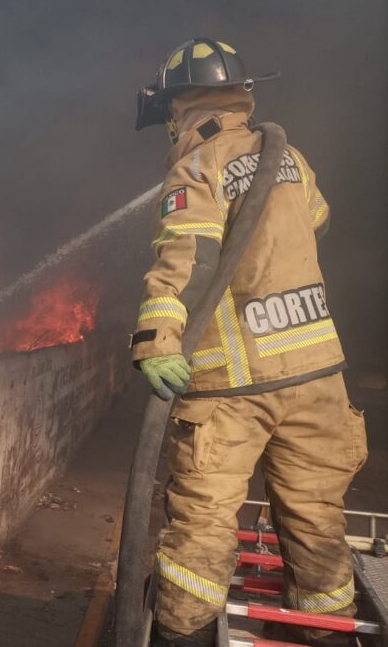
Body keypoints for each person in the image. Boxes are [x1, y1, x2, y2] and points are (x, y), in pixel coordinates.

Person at [130, 38, 368, 646]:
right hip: (318, 379)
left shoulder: (197, 166)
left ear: (180, 105)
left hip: (234, 386)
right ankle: (326, 635)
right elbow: (316, 217)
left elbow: (191, 260)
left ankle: (180, 636)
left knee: (202, 528)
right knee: (317, 521)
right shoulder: (292, 158)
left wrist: (158, 341)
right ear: (242, 93)